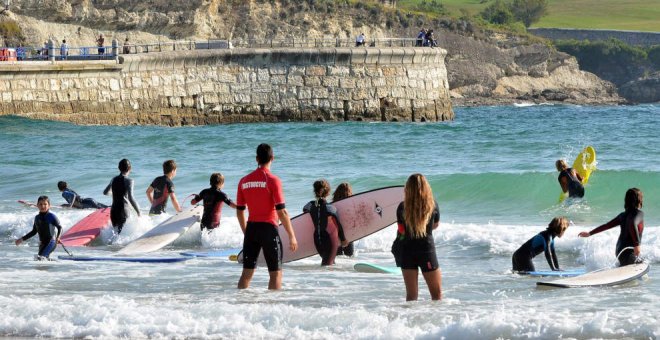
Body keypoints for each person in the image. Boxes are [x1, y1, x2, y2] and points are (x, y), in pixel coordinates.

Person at [236, 143, 298, 290]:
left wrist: (247, 232)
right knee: (275, 274)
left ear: (256, 159)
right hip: (269, 229)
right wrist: (292, 235)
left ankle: (240, 302)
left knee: (246, 273)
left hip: (251, 228)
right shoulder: (273, 180)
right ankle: (272, 307)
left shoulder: (244, 181)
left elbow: (239, 211)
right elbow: (282, 212)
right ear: (272, 158)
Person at [392, 173, 441, 301]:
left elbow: (401, 230)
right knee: (436, 295)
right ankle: (438, 320)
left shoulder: (402, 207)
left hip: (407, 252)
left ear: (407, 188)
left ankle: (409, 321)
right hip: (426, 251)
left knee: (411, 296)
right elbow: (435, 225)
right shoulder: (433, 205)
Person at [579, 188, 644, 266]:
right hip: (629, 254)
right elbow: (632, 223)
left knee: (631, 264)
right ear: (639, 200)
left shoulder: (622, 215)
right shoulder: (639, 213)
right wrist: (637, 245)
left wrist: (590, 233)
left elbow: (607, 225)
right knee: (643, 265)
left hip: (619, 251)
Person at [303, 179, 348, 266]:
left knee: (329, 264)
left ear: (315, 191)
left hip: (317, 239)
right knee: (327, 266)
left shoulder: (310, 205)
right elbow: (338, 225)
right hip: (329, 240)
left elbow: (304, 209)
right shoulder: (331, 208)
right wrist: (343, 240)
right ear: (327, 192)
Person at [15, 196, 62, 260]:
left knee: (41, 259)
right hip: (42, 243)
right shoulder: (37, 218)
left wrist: (58, 237)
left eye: (45, 204)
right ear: (37, 205)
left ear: (49, 205)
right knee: (40, 260)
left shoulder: (51, 216)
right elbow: (34, 231)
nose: (43, 206)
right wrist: (22, 239)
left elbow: (60, 227)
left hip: (51, 242)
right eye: (40, 204)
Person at [103, 159, 140, 234]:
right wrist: (139, 212)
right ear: (130, 168)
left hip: (113, 211)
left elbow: (105, 192)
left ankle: (109, 245)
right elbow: (131, 198)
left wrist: (115, 194)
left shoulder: (113, 179)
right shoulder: (129, 180)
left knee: (115, 234)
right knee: (121, 235)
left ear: (119, 168)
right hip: (123, 211)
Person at [334, 182, 355, 257]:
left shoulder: (332, 205)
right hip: (348, 234)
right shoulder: (352, 205)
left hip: (336, 234)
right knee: (349, 256)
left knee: (337, 257)